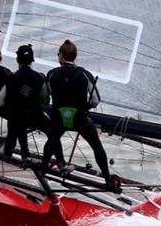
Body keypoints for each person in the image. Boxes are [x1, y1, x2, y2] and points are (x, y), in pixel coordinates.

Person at [41, 39, 118, 191]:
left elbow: (44, 99)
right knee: (97, 146)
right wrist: (85, 106)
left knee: (52, 139)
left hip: (59, 118)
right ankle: (108, 179)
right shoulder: (85, 74)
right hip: (80, 119)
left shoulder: (51, 74)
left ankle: (43, 167)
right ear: (74, 57)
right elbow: (96, 100)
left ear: (62, 56)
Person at [0, 44, 49, 162]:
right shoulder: (40, 77)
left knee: (15, 121)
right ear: (32, 60)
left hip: (16, 117)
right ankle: (57, 161)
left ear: (17, 60)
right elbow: (45, 100)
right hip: (35, 116)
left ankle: (8, 153)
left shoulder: (11, 77)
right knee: (52, 132)